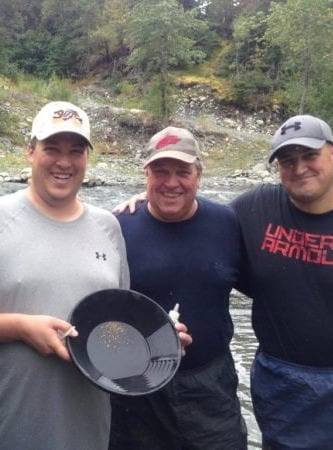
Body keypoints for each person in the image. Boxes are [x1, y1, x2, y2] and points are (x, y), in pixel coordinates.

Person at [0, 101, 160, 450]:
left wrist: (160, 341)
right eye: (52, 149)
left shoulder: (108, 227)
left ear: (87, 159)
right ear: (31, 151)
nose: (64, 162)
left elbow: (117, 324)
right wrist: (21, 328)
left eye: (76, 151)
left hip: (88, 431)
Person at [109, 126, 247, 450]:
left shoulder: (227, 222)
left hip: (210, 386)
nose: (171, 183)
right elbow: (100, 312)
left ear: (199, 175)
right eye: (160, 171)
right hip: (135, 388)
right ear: (146, 175)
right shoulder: (117, 227)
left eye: (183, 172)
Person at [231, 114, 333, 450]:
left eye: (309, 156)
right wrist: (147, 204)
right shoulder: (255, 207)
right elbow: (197, 224)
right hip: (281, 384)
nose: (299, 168)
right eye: (288, 161)